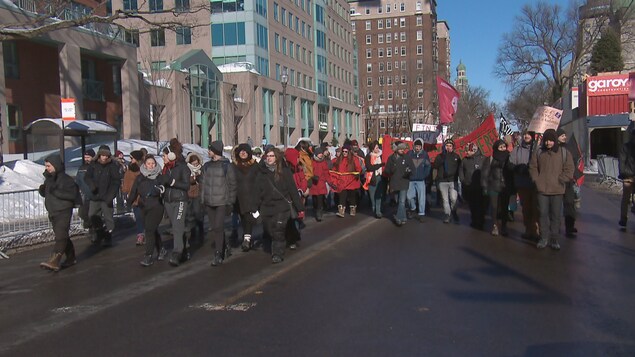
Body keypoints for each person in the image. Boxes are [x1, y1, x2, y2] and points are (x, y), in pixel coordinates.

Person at [253, 147, 305, 263]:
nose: (269, 158)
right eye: (268, 156)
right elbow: (256, 191)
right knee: (270, 229)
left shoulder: (284, 172)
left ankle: (277, 253)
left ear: (277, 158)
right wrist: (254, 207)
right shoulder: (261, 172)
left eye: (272, 156)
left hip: (282, 206)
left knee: (278, 230)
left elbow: (292, 190)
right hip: (266, 207)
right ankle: (281, 241)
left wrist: (299, 206)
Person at [529, 129, 574, 250]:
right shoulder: (539, 152)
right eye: (546, 140)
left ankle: (554, 239)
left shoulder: (564, 153)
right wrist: (536, 180)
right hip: (542, 189)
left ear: (555, 140)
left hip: (557, 190)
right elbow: (533, 167)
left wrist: (562, 179)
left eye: (551, 140)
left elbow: (569, 169)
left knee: (555, 216)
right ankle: (544, 238)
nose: (548, 143)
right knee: (543, 214)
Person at [38, 155, 79, 271]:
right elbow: (49, 193)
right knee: (63, 236)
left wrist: (56, 192)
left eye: (49, 166)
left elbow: (71, 195)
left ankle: (54, 261)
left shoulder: (66, 180)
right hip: (53, 212)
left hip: (64, 211)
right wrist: (43, 191)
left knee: (61, 237)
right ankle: (71, 257)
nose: (47, 168)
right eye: (46, 166)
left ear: (55, 165)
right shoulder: (49, 179)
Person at [200, 140, 237, 266]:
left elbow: (232, 185)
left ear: (215, 151)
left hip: (222, 201)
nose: (208, 151)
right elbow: (203, 184)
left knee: (218, 227)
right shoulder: (206, 166)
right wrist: (202, 200)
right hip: (209, 202)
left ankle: (218, 254)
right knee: (216, 228)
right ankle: (225, 246)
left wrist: (230, 202)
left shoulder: (227, 166)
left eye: (210, 149)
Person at [127, 155, 167, 267]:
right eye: (149, 163)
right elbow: (134, 191)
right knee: (151, 229)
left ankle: (148, 255)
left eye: (153, 163)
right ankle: (161, 248)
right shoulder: (140, 177)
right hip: (143, 206)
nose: (151, 165)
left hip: (156, 206)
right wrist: (129, 202)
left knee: (149, 230)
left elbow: (164, 189)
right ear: (145, 165)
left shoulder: (160, 177)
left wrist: (160, 191)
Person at [160, 139, 191, 266]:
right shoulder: (166, 168)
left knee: (178, 227)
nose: (162, 158)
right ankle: (185, 249)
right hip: (168, 201)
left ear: (171, 155)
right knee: (176, 228)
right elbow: (165, 182)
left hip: (180, 200)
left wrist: (172, 182)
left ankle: (177, 252)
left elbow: (186, 185)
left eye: (164, 155)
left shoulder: (183, 167)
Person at [84, 145, 121, 247]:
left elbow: (116, 181)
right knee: (92, 215)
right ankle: (99, 233)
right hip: (95, 195)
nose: (104, 157)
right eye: (102, 155)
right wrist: (92, 186)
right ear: (99, 155)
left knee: (108, 218)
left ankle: (108, 235)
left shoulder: (112, 166)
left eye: (106, 155)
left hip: (106, 196)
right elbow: (87, 177)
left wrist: (111, 195)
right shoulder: (93, 164)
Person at [481, 140, 515, 236]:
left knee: (504, 208)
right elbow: (485, 173)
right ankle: (495, 225)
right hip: (493, 186)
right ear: (496, 148)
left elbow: (512, 172)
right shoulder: (490, 159)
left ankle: (504, 226)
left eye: (504, 147)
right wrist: (484, 186)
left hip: (505, 187)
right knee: (494, 207)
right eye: (500, 147)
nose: (503, 149)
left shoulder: (509, 158)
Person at [510, 131, 540, 240]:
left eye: (529, 134)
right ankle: (528, 229)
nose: (526, 136)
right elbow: (511, 163)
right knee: (526, 209)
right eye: (525, 134)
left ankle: (536, 230)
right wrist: (519, 168)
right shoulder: (517, 150)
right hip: (522, 184)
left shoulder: (537, 149)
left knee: (536, 208)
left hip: (535, 184)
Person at [232, 144, 258, 251]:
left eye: (245, 151)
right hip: (238, 197)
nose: (243, 153)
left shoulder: (255, 165)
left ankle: (247, 239)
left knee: (248, 216)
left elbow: (260, 179)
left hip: (251, 196)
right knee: (243, 217)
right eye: (241, 151)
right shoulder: (233, 165)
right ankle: (247, 237)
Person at [385, 141, 415, 226]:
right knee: (398, 201)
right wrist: (391, 169)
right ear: (396, 149)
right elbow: (387, 170)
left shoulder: (407, 158)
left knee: (402, 201)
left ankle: (398, 218)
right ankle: (403, 217)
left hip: (404, 182)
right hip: (394, 183)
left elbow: (413, 169)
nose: (402, 150)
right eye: (400, 148)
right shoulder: (391, 158)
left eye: (403, 148)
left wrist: (409, 172)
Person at [459, 143, 487, 230]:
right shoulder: (464, 160)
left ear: (473, 150)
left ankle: (481, 221)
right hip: (469, 186)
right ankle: (474, 221)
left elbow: (487, 171)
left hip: (481, 186)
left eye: (468, 151)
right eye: (466, 150)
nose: (466, 152)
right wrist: (463, 180)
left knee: (481, 205)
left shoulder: (484, 159)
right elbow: (461, 171)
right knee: (472, 205)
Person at [556, 129, 579, 237]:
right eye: (562, 135)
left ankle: (570, 227)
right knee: (555, 205)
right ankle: (555, 226)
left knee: (569, 203)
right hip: (556, 181)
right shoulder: (554, 149)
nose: (564, 137)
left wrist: (571, 174)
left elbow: (573, 162)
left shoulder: (569, 148)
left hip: (568, 181)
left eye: (565, 135)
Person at [433, 139, 461, 223]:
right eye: (447, 146)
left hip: (453, 180)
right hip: (442, 181)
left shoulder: (456, 156)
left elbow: (460, 168)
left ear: (453, 147)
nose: (448, 147)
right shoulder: (440, 156)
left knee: (453, 198)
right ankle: (447, 215)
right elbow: (435, 166)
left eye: (450, 146)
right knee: (445, 199)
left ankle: (454, 211)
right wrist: (441, 160)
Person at [332, 144, 362, 217]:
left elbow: (358, 168)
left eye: (346, 151)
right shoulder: (339, 159)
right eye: (343, 151)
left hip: (351, 181)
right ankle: (341, 211)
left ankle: (352, 209)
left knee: (352, 196)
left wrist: (357, 174)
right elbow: (335, 169)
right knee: (342, 195)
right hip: (342, 181)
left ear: (349, 152)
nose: (344, 153)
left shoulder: (354, 159)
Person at [121, 150, 144, 245]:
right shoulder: (129, 170)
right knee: (138, 217)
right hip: (134, 197)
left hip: (144, 197)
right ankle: (140, 235)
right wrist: (125, 191)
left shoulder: (144, 169)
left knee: (145, 216)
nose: (131, 160)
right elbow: (126, 183)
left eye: (132, 158)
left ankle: (149, 233)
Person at [407, 138, 431, 222]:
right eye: (416, 146)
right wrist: (408, 172)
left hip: (420, 180)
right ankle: (413, 208)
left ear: (421, 147)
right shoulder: (409, 154)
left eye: (419, 146)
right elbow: (406, 164)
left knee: (421, 197)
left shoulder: (424, 154)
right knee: (409, 196)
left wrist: (424, 175)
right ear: (413, 146)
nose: (417, 148)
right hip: (411, 179)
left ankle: (421, 213)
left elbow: (428, 166)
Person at [185, 152, 205, 246]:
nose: (195, 165)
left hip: (198, 194)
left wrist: (198, 176)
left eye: (197, 164)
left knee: (198, 214)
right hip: (189, 194)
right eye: (194, 164)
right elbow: (187, 180)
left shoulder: (202, 169)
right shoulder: (187, 169)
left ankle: (201, 233)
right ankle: (193, 233)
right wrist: (194, 177)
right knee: (190, 215)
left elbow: (203, 180)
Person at [618, 128, 635, 228]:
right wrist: (624, 173)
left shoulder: (625, 147)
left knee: (626, 199)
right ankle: (623, 218)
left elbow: (622, 161)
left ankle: (623, 218)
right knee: (626, 198)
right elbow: (622, 161)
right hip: (628, 176)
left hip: (628, 175)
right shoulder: (626, 147)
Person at [364, 141, 385, 218]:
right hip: (371, 178)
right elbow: (370, 167)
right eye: (376, 148)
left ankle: (378, 211)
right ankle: (374, 207)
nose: (378, 149)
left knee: (378, 195)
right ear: (372, 149)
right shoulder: (368, 156)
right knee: (372, 196)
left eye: (378, 147)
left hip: (379, 176)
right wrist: (379, 165)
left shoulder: (381, 155)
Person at [75, 148, 95, 230]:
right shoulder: (81, 168)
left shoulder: (95, 167)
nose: (86, 159)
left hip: (94, 195)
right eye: (85, 157)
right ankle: (90, 225)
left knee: (93, 214)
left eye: (88, 157)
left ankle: (94, 230)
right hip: (84, 196)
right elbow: (78, 180)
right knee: (82, 213)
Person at [310, 147, 330, 221]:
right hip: (314, 184)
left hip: (321, 183)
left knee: (320, 200)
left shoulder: (324, 162)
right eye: (319, 153)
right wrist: (312, 176)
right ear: (316, 154)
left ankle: (319, 213)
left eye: (321, 153)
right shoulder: (312, 162)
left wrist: (329, 181)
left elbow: (326, 173)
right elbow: (309, 171)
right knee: (315, 200)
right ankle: (316, 209)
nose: (321, 155)